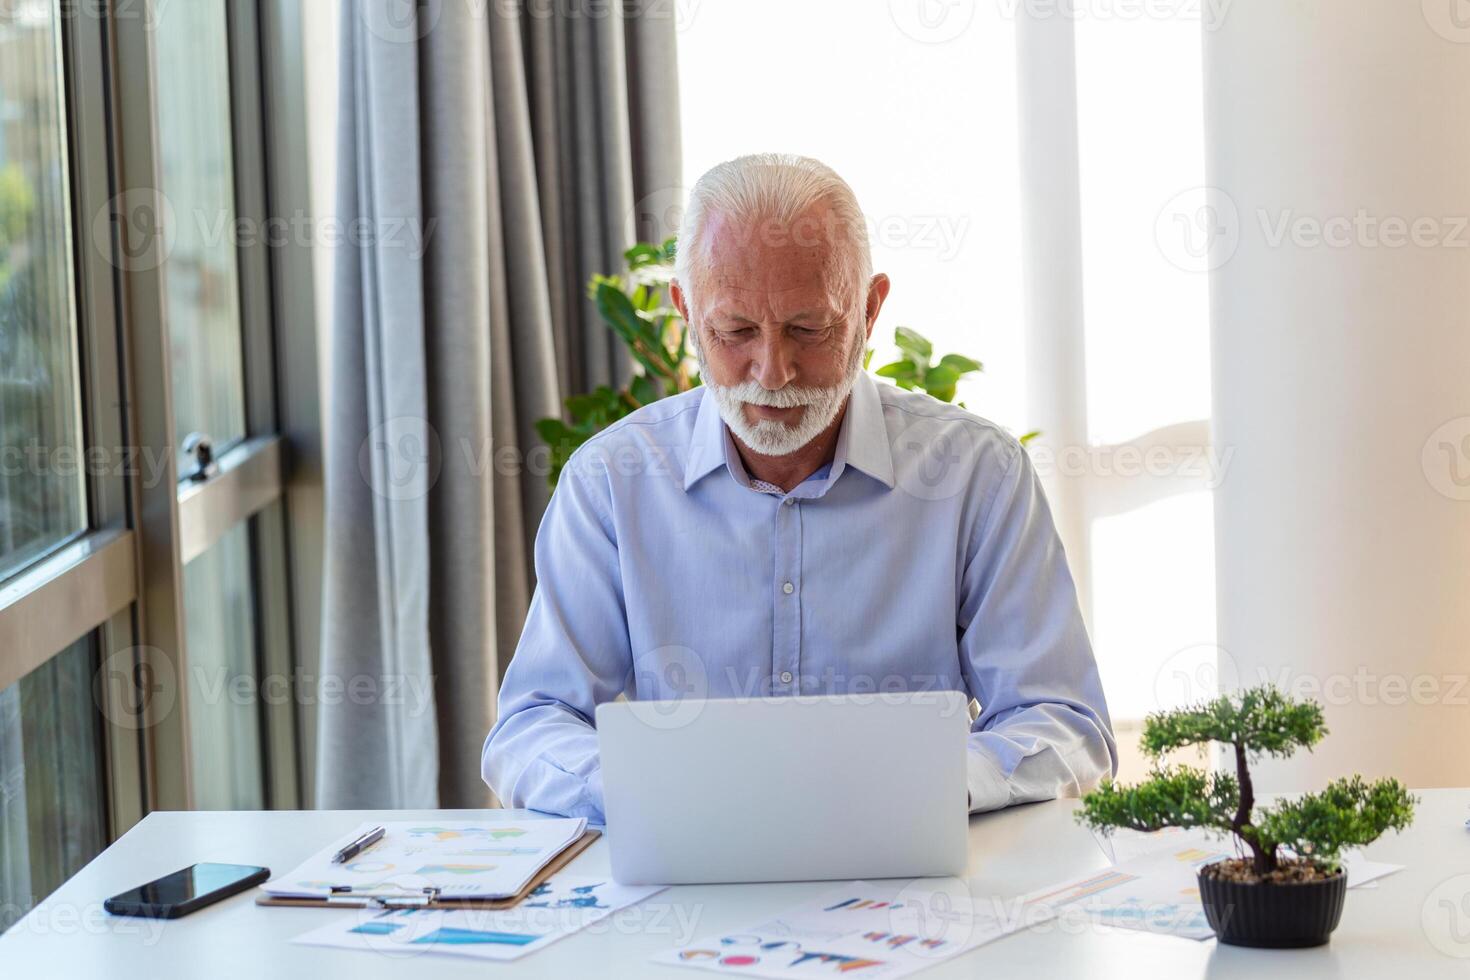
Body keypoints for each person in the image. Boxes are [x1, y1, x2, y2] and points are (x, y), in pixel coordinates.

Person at [483, 153, 1115, 821]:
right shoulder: (612, 484)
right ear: (687, 313)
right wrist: (643, 793)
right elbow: (532, 726)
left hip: (913, 879)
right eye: (735, 331)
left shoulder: (978, 476)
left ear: (870, 311)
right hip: (688, 878)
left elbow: (1063, 721)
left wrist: (934, 785)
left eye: (809, 330)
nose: (774, 371)